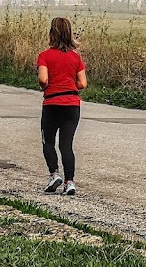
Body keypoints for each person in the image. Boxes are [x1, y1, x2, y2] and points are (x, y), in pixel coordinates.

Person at [36, 17, 87, 195]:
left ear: (52, 33)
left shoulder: (44, 56)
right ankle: (69, 182)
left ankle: (54, 174)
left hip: (52, 104)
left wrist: (46, 86)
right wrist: (69, 85)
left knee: (48, 141)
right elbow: (83, 83)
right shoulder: (75, 57)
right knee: (66, 145)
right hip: (72, 105)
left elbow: (43, 79)